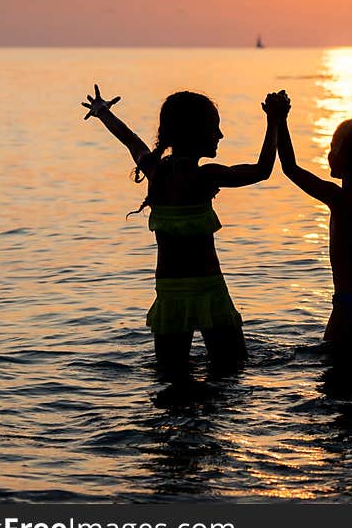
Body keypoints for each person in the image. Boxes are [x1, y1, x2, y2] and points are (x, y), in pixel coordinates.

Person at [81, 84, 290, 381]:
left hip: (171, 295)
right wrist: (275, 120)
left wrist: (103, 114)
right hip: (210, 291)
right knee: (231, 373)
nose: (220, 136)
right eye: (214, 129)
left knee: (171, 378)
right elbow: (263, 170)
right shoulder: (207, 176)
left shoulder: (155, 171)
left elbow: (129, 140)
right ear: (195, 134)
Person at [276, 95, 352, 356]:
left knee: (337, 379)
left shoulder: (338, 198)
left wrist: (279, 120)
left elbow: (289, 167)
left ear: (343, 160)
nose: (328, 153)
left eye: (332, 148)